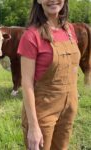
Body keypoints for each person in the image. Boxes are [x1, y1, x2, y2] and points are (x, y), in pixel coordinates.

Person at [17, 0, 80, 150]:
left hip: (69, 108)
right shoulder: (31, 35)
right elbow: (26, 83)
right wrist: (33, 127)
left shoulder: (69, 30)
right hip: (43, 111)